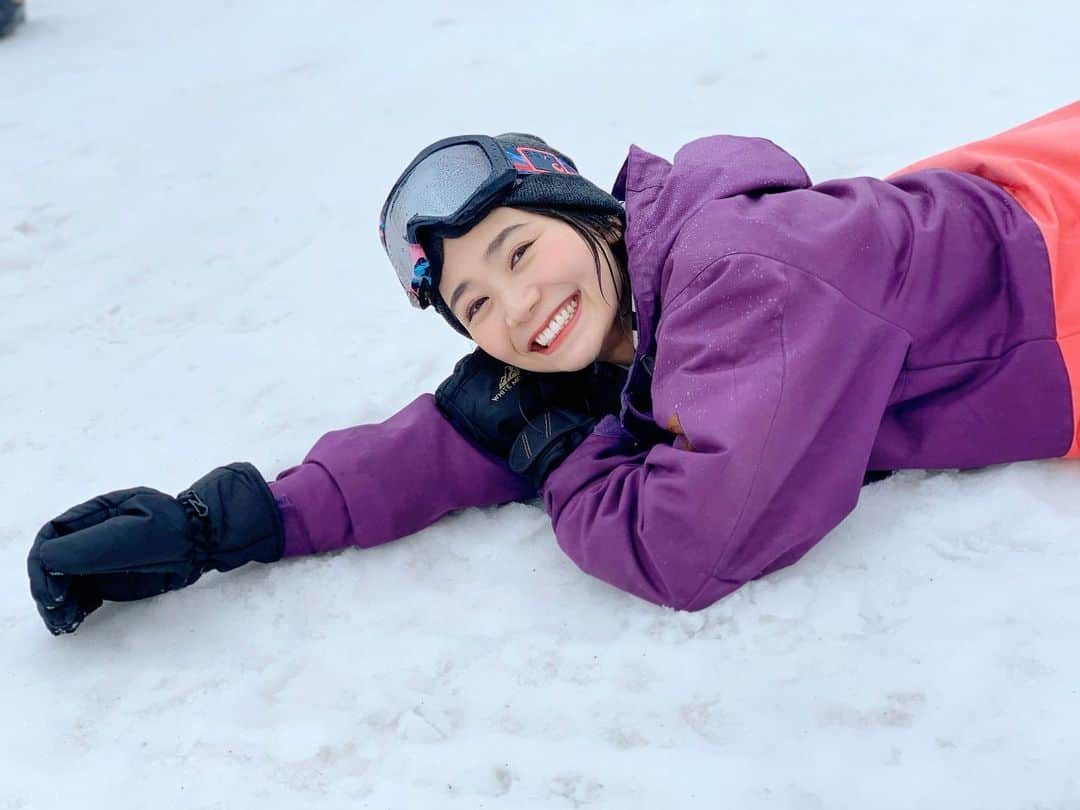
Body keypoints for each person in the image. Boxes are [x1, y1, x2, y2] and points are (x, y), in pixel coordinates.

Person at [27, 101, 1080, 635]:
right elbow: (448, 438)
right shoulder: (628, 307)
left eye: (521, 252)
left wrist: (567, 457)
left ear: (599, 224)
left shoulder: (735, 275)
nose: (518, 306)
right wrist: (221, 525)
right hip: (1022, 177)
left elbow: (692, 546)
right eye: (476, 304)